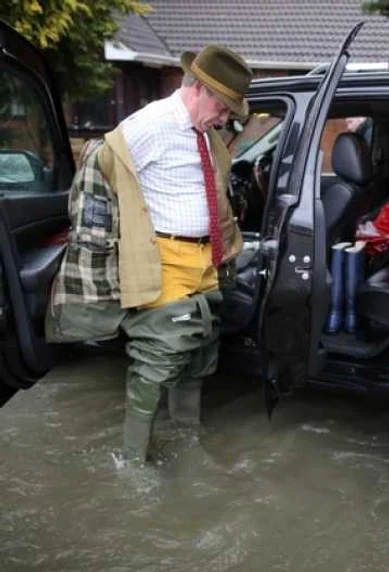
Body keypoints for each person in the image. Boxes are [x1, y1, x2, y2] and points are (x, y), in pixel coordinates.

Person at [46, 45, 253, 465]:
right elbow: (97, 171)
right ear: (201, 91)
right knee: (159, 357)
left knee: (198, 352)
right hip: (166, 261)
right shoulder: (149, 125)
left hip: (205, 261)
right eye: (224, 106)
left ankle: (186, 442)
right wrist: (101, 245)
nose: (226, 117)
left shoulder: (203, 134)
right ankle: (132, 462)